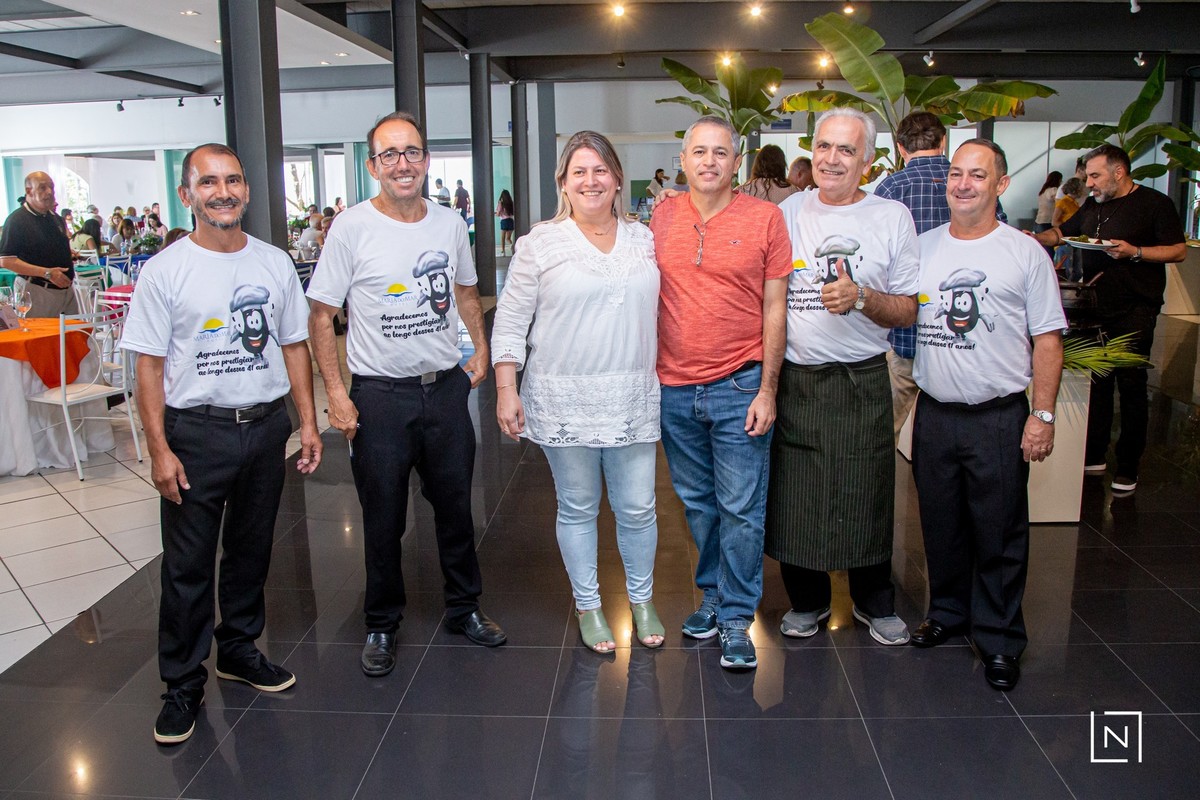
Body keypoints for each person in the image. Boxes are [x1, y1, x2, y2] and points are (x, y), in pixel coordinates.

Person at [120, 142, 323, 745]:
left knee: (250, 550)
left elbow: (294, 345)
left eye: (232, 180)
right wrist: (159, 448)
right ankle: (182, 684)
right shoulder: (165, 271)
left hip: (264, 428)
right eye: (208, 183)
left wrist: (307, 422)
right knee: (187, 566)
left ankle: (237, 649)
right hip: (196, 433)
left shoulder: (273, 262)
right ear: (188, 195)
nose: (223, 192)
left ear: (247, 191)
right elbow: (149, 366)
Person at [307, 111, 506, 679]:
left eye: (412, 152)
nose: (402, 163)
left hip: (442, 391)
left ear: (426, 160)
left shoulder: (449, 223)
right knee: (383, 516)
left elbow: (465, 291)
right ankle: (381, 622)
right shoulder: (351, 228)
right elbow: (321, 315)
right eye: (389, 154)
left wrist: (481, 347)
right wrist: (336, 392)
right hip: (379, 398)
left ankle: (464, 607)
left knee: (456, 509)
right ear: (373, 166)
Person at [492, 131, 663, 653]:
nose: (591, 181)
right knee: (578, 506)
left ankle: (641, 601)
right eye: (578, 172)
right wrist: (506, 388)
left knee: (638, 508)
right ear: (563, 183)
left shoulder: (645, 239)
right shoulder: (540, 243)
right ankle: (589, 605)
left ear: (617, 179)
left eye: (600, 170)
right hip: (564, 396)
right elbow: (510, 321)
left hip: (632, 393)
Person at [911, 139, 1066, 692]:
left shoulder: (1024, 253)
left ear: (1001, 184)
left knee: (999, 531)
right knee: (941, 525)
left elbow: (1048, 340)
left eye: (977, 175)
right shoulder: (923, 247)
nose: (963, 184)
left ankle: (999, 637)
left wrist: (1042, 415)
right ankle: (948, 613)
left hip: (997, 417)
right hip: (934, 413)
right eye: (956, 173)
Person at [768, 108, 919, 647]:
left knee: (867, 489)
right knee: (798, 494)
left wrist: (863, 297)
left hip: (863, 377)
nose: (832, 159)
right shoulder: (788, 212)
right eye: (824, 147)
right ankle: (807, 600)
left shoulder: (891, 217)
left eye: (846, 150)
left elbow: (909, 309)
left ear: (868, 161)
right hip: (798, 378)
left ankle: (874, 601)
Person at [651, 115, 791, 670]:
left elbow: (775, 307)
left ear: (737, 162)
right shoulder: (661, 217)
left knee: (741, 509)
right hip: (674, 389)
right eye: (699, 152)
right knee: (699, 505)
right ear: (683, 160)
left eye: (720, 152)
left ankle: (736, 616)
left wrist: (768, 389)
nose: (709, 161)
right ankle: (711, 593)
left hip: (740, 384)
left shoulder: (766, 219)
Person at [1030, 144, 1187, 494]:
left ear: (1119, 172)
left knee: (1131, 386)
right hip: (1093, 306)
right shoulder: (1093, 204)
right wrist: (1035, 239)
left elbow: (1178, 250)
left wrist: (1136, 252)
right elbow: (1064, 232)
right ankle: (1095, 453)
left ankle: (1128, 466)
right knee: (1097, 382)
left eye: (1096, 176)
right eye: (1088, 177)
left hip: (1136, 307)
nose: (1090, 184)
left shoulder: (1155, 204)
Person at [874, 111, 952, 437]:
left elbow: (872, 260)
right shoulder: (969, 183)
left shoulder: (891, 188)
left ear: (900, 147)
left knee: (882, 434)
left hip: (903, 333)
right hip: (956, 334)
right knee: (951, 437)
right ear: (943, 141)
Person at [0, 171, 76, 318]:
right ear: (29, 191)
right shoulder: (17, 220)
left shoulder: (55, 218)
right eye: (42, 187)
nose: (49, 192)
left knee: (74, 331)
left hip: (66, 292)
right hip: (37, 290)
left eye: (51, 187)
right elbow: (6, 261)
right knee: (40, 333)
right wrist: (47, 273)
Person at [495, 189, 515, 255]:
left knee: (503, 238)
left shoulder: (501, 203)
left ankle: (503, 250)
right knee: (508, 238)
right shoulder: (511, 203)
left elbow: (498, 214)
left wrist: (496, 214)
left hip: (504, 221)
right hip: (511, 221)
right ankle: (513, 246)